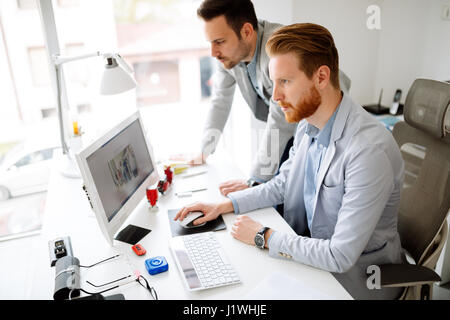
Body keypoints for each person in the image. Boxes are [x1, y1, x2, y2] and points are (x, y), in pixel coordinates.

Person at [175, 23, 406, 299]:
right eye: (273, 83)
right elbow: (283, 184)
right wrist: (225, 205)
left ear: (321, 77)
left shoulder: (367, 151)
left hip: (358, 277)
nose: (275, 97)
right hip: (317, 258)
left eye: (285, 81)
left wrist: (263, 236)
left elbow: (340, 255)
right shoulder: (309, 124)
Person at [175, 0, 351, 196]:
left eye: (220, 41)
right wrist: (204, 150)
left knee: (301, 194)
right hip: (294, 126)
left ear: (247, 31)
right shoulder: (228, 56)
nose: (213, 52)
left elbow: (279, 123)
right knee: (278, 189)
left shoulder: (277, 52)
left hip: (324, 124)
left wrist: (254, 179)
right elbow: (220, 100)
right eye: (211, 43)